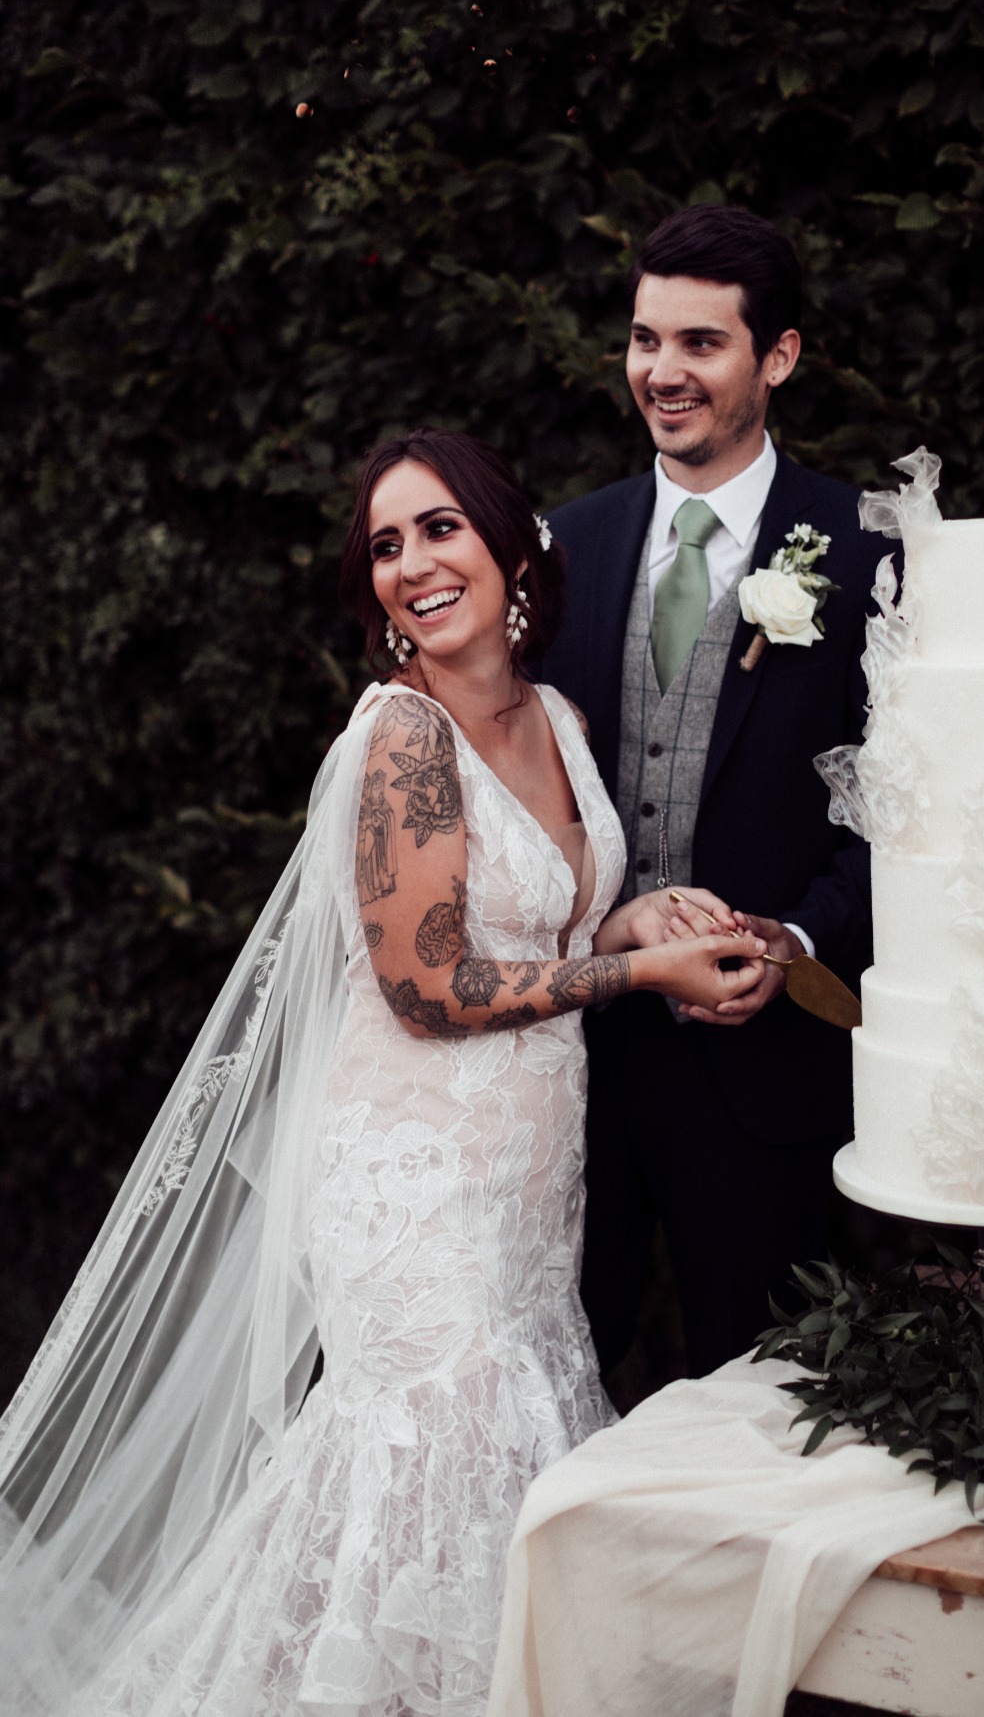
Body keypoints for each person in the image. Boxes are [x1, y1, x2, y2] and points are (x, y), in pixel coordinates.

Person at [0, 429, 765, 1716]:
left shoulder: (558, 719)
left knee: (494, 1477)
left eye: (440, 528)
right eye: (386, 545)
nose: (412, 562)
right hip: (414, 1192)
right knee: (422, 1485)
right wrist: (641, 980)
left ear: (512, 546)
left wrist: (634, 923)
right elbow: (432, 985)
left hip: (524, 1194)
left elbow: (547, 927)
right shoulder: (403, 737)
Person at [539, 205, 898, 1380]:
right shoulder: (561, 549)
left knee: (755, 1413)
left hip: (765, 1073)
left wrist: (794, 936)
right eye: (646, 341)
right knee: (547, 1384)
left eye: (701, 343)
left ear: (776, 357)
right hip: (569, 1066)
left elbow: (909, 815)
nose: (663, 372)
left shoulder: (865, 551)